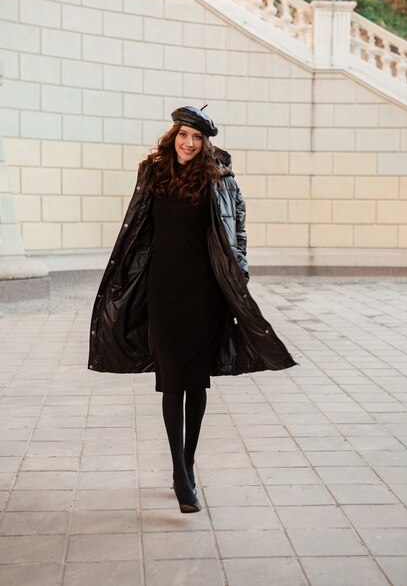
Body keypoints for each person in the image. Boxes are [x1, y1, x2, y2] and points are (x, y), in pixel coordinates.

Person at [88, 105, 297, 513]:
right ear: (173, 135)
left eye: (196, 137)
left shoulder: (220, 178)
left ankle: (188, 463)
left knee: (196, 382)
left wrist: (239, 276)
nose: (188, 142)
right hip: (162, 289)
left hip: (205, 291)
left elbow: (237, 230)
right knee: (171, 381)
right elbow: (137, 230)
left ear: (205, 143)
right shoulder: (152, 172)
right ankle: (180, 474)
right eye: (183, 134)